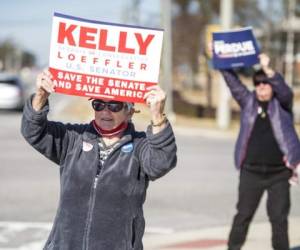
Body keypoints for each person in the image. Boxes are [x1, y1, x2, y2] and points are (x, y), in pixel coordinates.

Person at [21, 69, 177, 250]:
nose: (105, 112)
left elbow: (162, 162)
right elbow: (33, 132)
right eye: (98, 104)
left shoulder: (140, 145)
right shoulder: (74, 138)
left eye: (114, 106)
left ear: (129, 111)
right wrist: (41, 95)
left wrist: (157, 116)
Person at [220, 53, 300, 250]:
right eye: (257, 83)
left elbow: (285, 91)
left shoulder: (282, 104)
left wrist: (268, 69)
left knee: (279, 219)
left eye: (265, 83)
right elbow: (233, 83)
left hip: (279, 174)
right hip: (251, 172)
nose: (261, 87)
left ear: (272, 85)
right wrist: (220, 59)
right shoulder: (248, 103)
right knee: (243, 216)